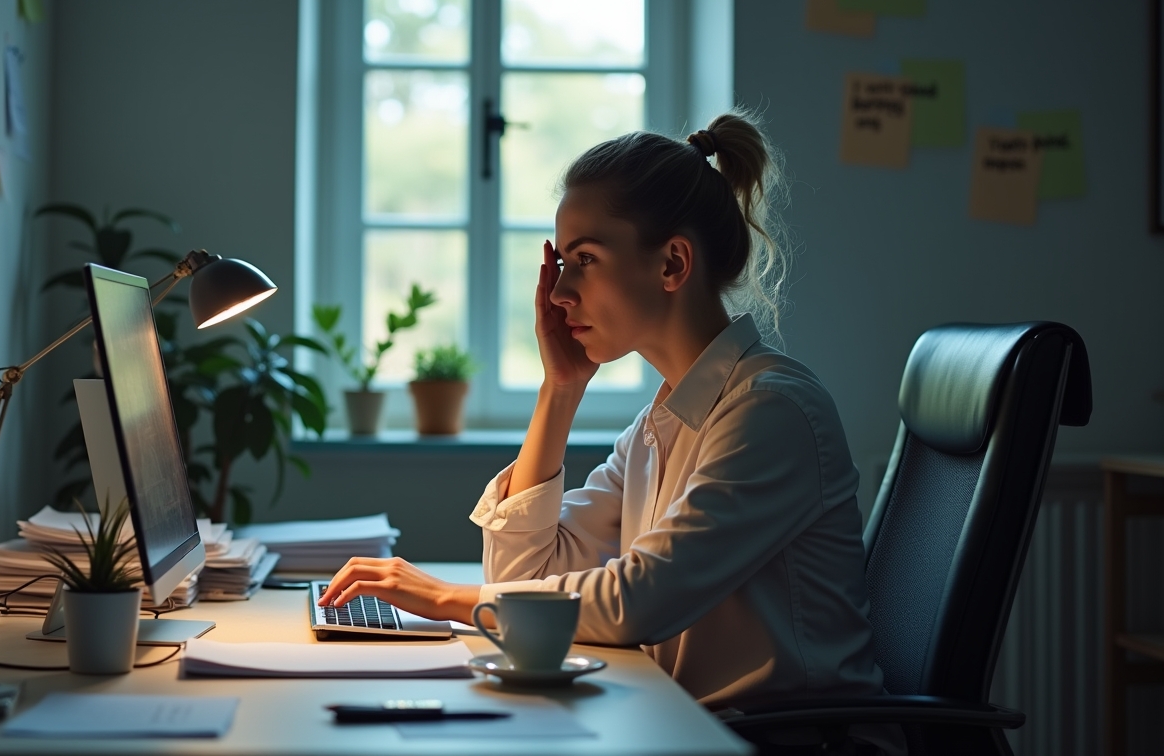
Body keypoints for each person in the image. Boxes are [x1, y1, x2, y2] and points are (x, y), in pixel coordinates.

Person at [318, 113, 886, 713]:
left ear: (672, 264)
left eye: (584, 260)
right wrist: (559, 389)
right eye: (561, 263)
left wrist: (444, 597)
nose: (560, 292)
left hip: (786, 740)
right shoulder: (659, 423)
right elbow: (525, 575)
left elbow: (639, 601)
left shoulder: (770, 413)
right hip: (689, 726)